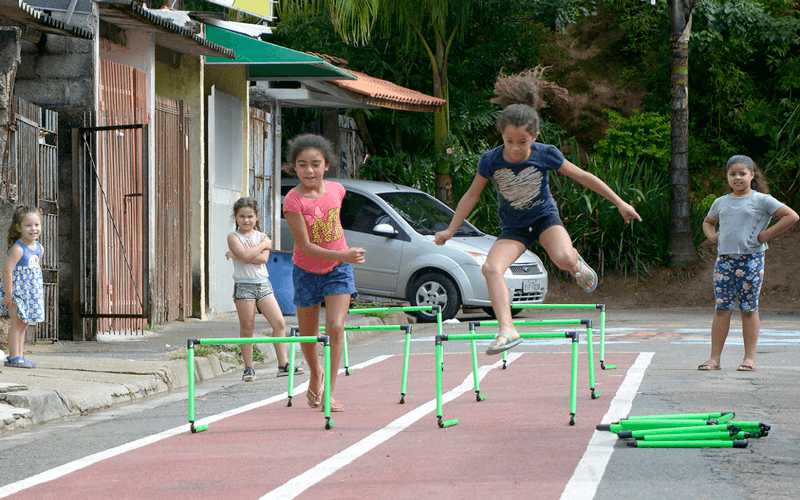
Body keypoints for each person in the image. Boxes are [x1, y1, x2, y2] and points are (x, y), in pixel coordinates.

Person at [434, 68, 641, 355]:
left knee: (563, 258)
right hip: (514, 228)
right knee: (491, 268)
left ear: (535, 137)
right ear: (502, 136)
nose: (516, 149)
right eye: (509, 142)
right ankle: (507, 329)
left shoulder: (547, 154)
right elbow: (471, 195)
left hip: (544, 218)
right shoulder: (490, 160)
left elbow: (583, 177)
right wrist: (450, 230)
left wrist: (620, 202)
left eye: (523, 142)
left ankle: (576, 264)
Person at [282, 134, 365, 412]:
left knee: (336, 327)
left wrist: (343, 258)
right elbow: (304, 246)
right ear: (294, 167)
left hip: (338, 270)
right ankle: (315, 372)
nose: (309, 171)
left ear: (326, 165)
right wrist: (344, 254)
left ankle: (329, 390)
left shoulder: (337, 190)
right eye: (302, 164)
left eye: (315, 164)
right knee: (308, 335)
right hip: (306, 270)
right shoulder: (293, 201)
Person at [698, 155, 798, 372]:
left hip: (751, 260)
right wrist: (713, 236)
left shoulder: (762, 200)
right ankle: (714, 359)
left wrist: (765, 235)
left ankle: (749, 358)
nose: (737, 178)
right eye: (732, 174)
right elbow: (708, 221)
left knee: (748, 309)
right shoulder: (720, 202)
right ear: (727, 176)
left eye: (742, 173)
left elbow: (791, 216)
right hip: (724, 260)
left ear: (752, 175)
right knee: (722, 308)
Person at [226, 197, 305, 382]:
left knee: (279, 323)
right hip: (243, 286)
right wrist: (261, 247)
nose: (246, 220)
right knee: (247, 328)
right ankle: (249, 368)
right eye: (242, 216)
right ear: (236, 217)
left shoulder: (260, 235)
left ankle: (283, 364)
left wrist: (241, 255)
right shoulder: (234, 237)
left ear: (257, 216)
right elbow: (247, 255)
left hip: (263, 284)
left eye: (250, 216)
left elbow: (261, 259)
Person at [0, 206, 45, 368]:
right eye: (28, 225)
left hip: (30, 294)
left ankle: (20, 355)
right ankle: (14, 356)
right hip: (17, 293)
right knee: (16, 325)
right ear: (19, 228)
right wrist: (8, 294)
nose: (33, 229)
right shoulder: (19, 249)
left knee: (24, 325)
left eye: (37, 225)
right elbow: (7, 271)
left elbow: (34, 272)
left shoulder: (39, 248)